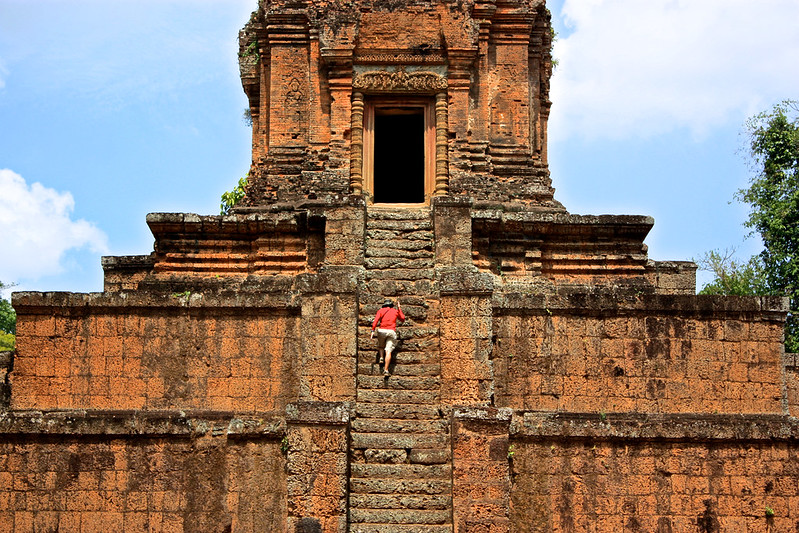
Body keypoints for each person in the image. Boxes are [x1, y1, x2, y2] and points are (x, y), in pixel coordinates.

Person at [371, 298, 405, 376]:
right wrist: (399, 308)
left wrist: (373, 330)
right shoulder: (395, 311)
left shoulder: (380, 311)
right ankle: (386, 370)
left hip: (382, 330)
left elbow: (375, 321)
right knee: (388, 351)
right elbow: (403, 319)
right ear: (391, 305)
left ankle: (381, 357)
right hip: (391, 331)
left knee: (381, 346)